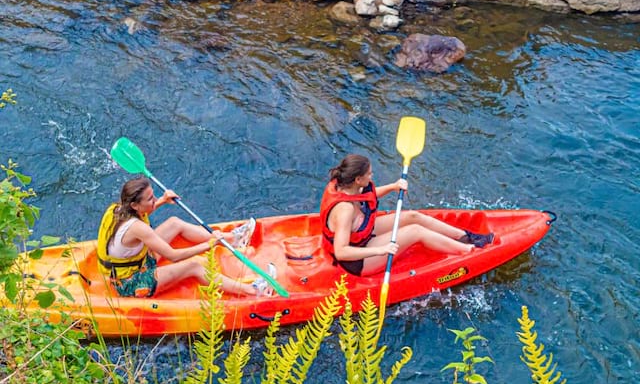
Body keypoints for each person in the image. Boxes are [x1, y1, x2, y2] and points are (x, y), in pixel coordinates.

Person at [97, 177, 276, 298]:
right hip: (130, 282)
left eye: (154, 196)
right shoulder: (137, 228)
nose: (154, 200)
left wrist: (162, 201)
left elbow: (141, 215)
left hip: (138, 262)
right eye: (150, 199)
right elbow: (173, 256)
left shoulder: (118, 208)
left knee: (175, 223)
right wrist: (209, 244)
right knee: (195, 265)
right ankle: (253, 291)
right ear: (135, 204)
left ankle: (234, 240)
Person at [320, 154, 494, 276]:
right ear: (358, 179)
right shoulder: (345, 210)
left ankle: (464, 237)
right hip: (358, 260)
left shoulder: (344, 184)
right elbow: (341, 252)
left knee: (412, 217)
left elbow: (366, 195)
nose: (372, 176)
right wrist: (381, 250)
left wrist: (392, 186)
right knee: (415, 231)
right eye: (369, 174)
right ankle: (470, 251)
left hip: (360, 238)